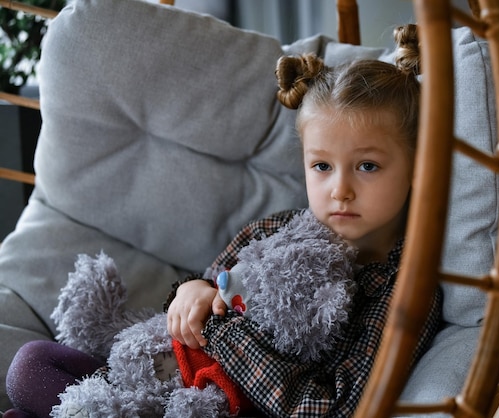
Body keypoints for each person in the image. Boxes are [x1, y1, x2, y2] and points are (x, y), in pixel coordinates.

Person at [5, 24, 441, 417]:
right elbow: (210, 286)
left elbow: (330, 408)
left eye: (367, 166)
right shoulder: (278, 230)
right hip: (163, 383)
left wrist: (221, 331)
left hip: (224, 408)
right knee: (32, 365)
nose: (339, 190)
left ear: (417, 167)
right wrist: (191, 292)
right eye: (322, 167)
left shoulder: (405, 289)